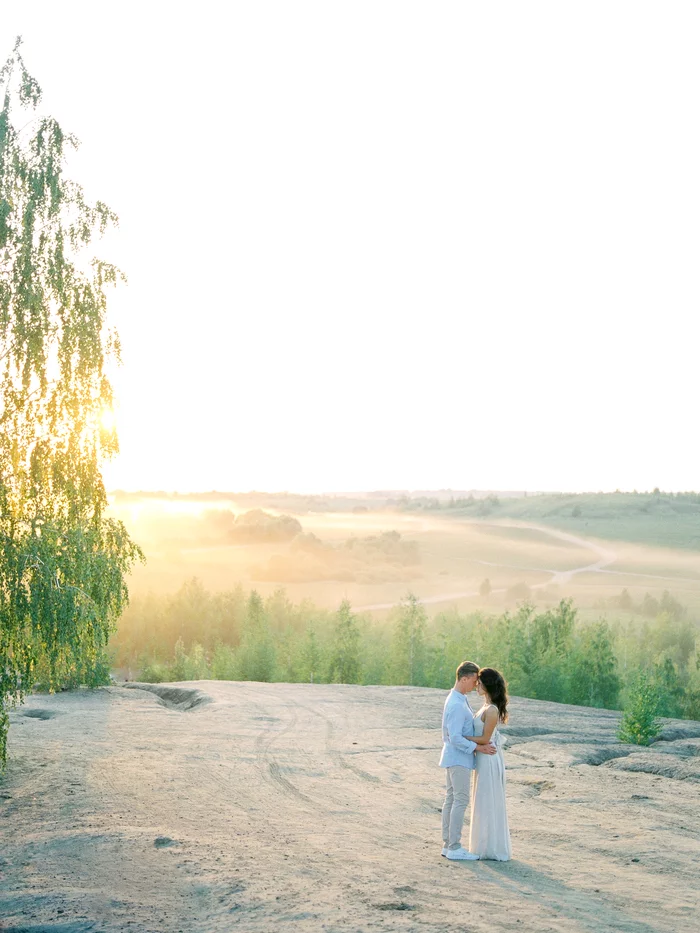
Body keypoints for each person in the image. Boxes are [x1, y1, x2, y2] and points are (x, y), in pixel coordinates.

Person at [439, 660, 497, 860]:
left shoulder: (459, 698)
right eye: (473, 680)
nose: (476, 684)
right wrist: (478, 747)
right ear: (464, 678)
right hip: (458, 758)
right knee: (459, 800)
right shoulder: (456, 703)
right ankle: (454, 847)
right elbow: (454, 737)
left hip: (456, 757)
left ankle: (448, 845)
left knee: (452, 799)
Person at [468, 667, 512, 861]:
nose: (476, 685)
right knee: (483, 798)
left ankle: (490, 847)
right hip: (483, 758)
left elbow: (485, 738)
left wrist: (460, 737)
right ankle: (482, 845)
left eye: (479, 681)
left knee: (488, 798)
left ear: (487, 684)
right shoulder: (485, 707)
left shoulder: (492, 709)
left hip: (489, 759)